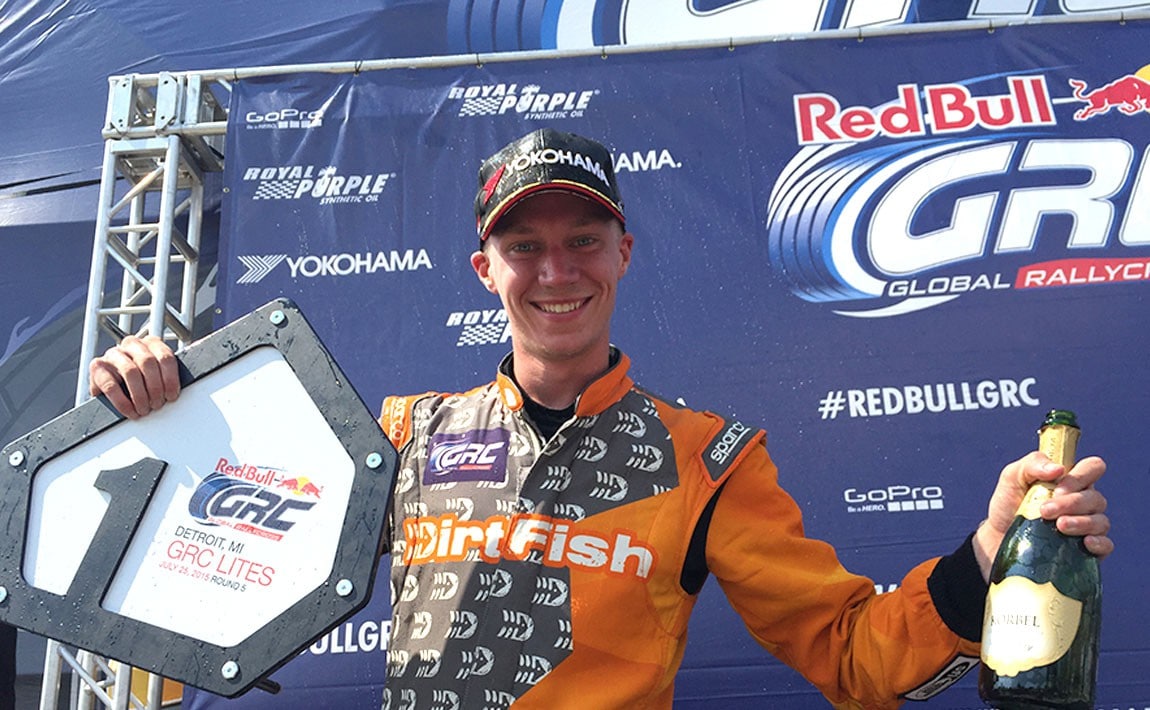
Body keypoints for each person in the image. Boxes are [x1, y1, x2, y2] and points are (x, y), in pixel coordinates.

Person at [89, 128, 1112, 709]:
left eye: (583, 239)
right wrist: (156, 407)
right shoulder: (402, 433)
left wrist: (987, 551)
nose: (556, 270)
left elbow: (853, 652)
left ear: (623, 253)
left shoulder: (709, 458)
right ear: (484, 268)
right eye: (524, 247)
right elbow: (213, 554)